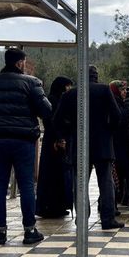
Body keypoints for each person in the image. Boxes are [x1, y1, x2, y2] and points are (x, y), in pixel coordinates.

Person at [0, 48, 51, 245]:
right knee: (26, 184)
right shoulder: (31, 83)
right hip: (23, 140)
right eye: (24, 62)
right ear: (19, 63)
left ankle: (0, 233)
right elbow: (46, 110)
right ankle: (29, 230)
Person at [52, 66, 124, 230]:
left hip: (79, 143)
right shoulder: (104, 90)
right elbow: (117, 115)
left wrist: (69, 132)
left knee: (80, 184)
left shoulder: (71, 93)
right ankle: (108, 218)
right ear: (96, 77)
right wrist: (108, 132)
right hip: (102, 144)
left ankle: (82, 218)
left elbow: (57, 119)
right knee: (105, 182)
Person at [36, 76, 74, 218]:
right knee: (53, 175)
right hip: (54, 142)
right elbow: (51, 121)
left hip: (56, 141)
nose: (68, 89)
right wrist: (59, 138)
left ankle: (57, 206)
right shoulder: (53, 100)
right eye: (67, 86)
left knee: (57, 175)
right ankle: (50, 207)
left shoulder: (57, 100)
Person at [108, 80, 129, 209]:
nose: (124, 92)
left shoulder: (119, 101)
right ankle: (110, 202)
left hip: (121, 143)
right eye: (122, 90)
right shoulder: (114, 102)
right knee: (115, 174)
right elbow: (120, 121)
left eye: (125, 90)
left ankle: (119, 199)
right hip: (116, 144)